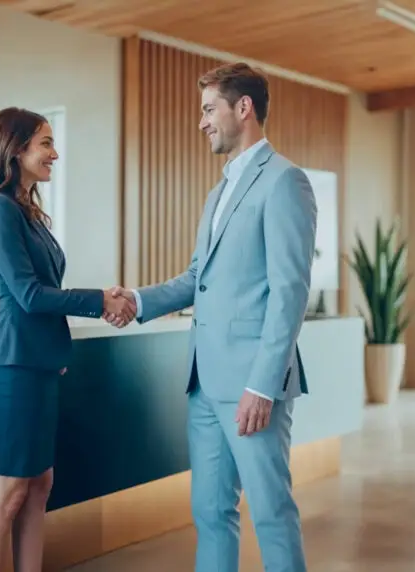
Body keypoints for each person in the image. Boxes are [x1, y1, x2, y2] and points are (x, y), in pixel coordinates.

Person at [107, 62, 317, 572]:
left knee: (270, 512)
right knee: (210, 511)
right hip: (203, 381)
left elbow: (290, 293)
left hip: (251, 386)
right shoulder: (217, 192)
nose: (201, 121)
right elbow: (195, 278)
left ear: (242, 108)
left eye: (208, 109)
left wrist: (263, 386)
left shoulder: (286, 182)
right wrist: (137, 299)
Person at [0, 107, 134, 572]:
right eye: (45, 143)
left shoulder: (28, 212)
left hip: (38, 365)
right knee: (6, 494)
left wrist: (98, 300)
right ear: (16, 149)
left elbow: (46, 292)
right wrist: (100, 298)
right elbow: (28, 295)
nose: (54, 154)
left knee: (39, 486)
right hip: (15, 366)